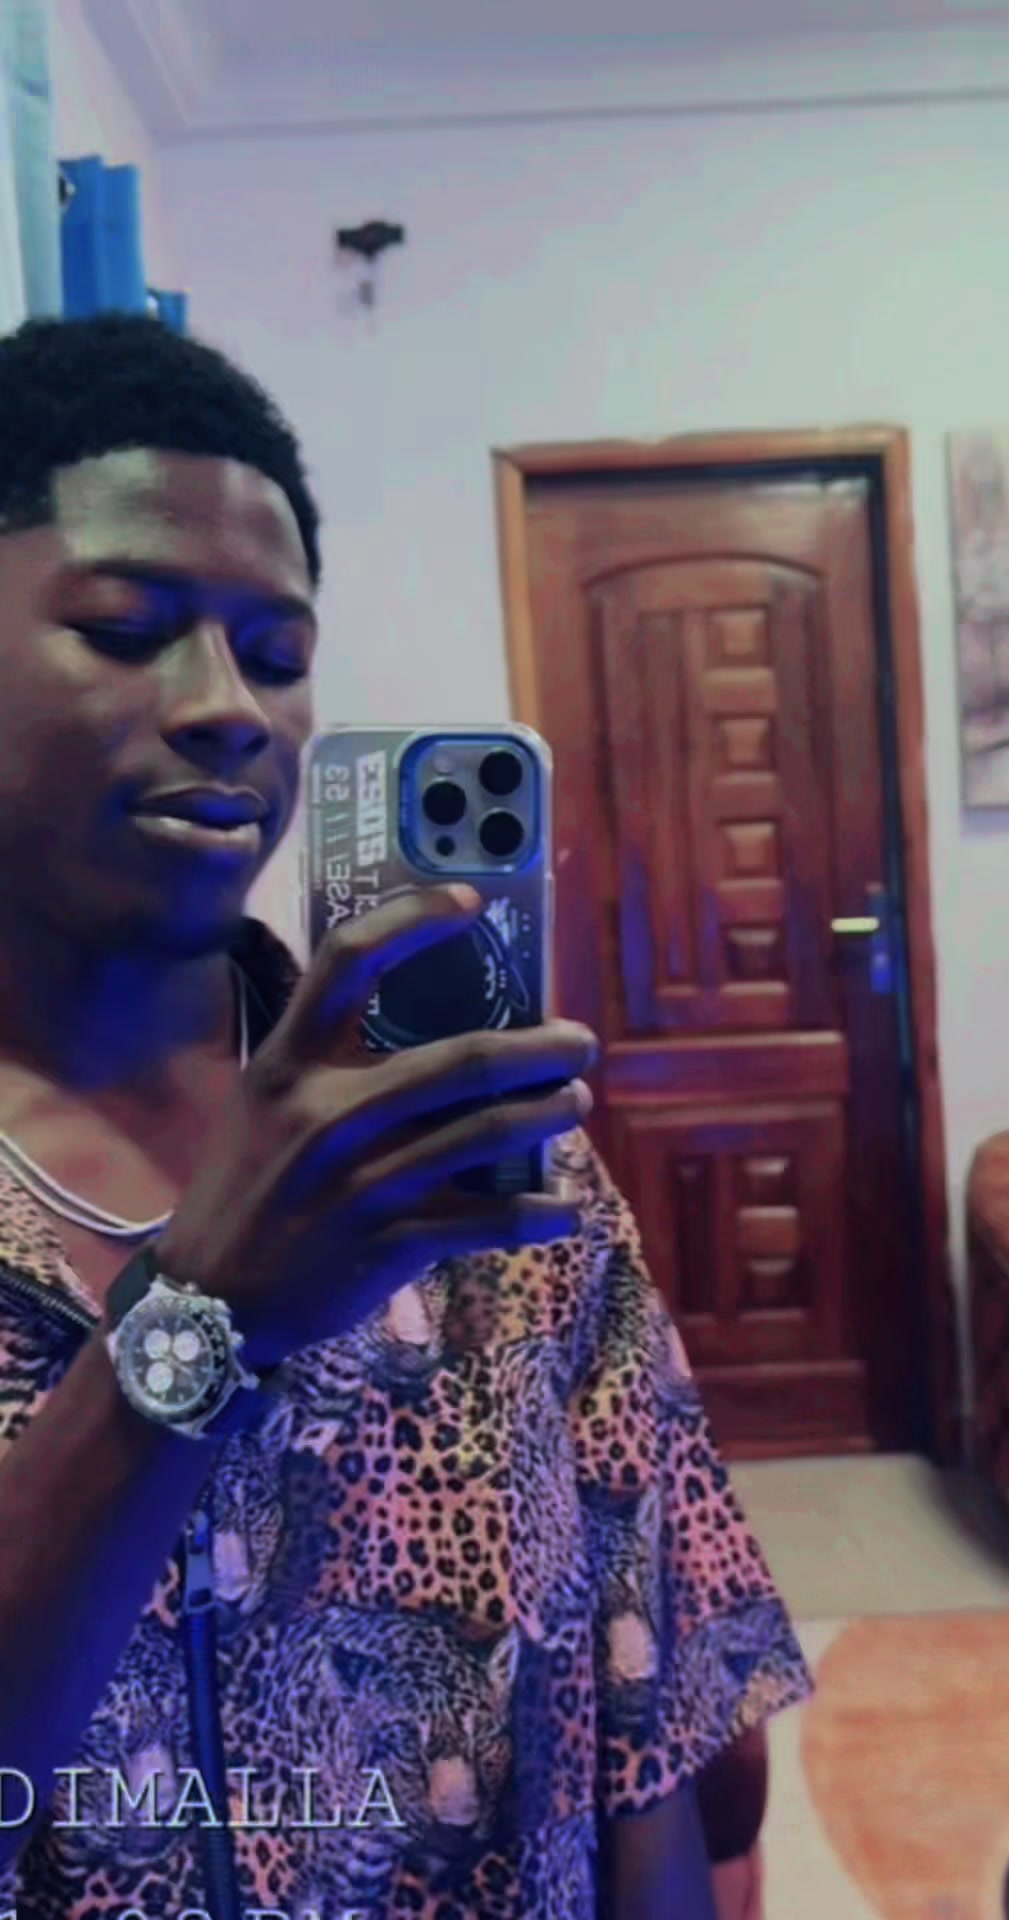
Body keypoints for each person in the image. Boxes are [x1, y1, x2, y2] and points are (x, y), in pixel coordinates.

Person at [0, 312, 811, 1920]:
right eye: (124, 628)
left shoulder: (476, 1152)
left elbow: (647, 1722)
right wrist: (204, 1316)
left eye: (278, 654)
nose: (231, 707)